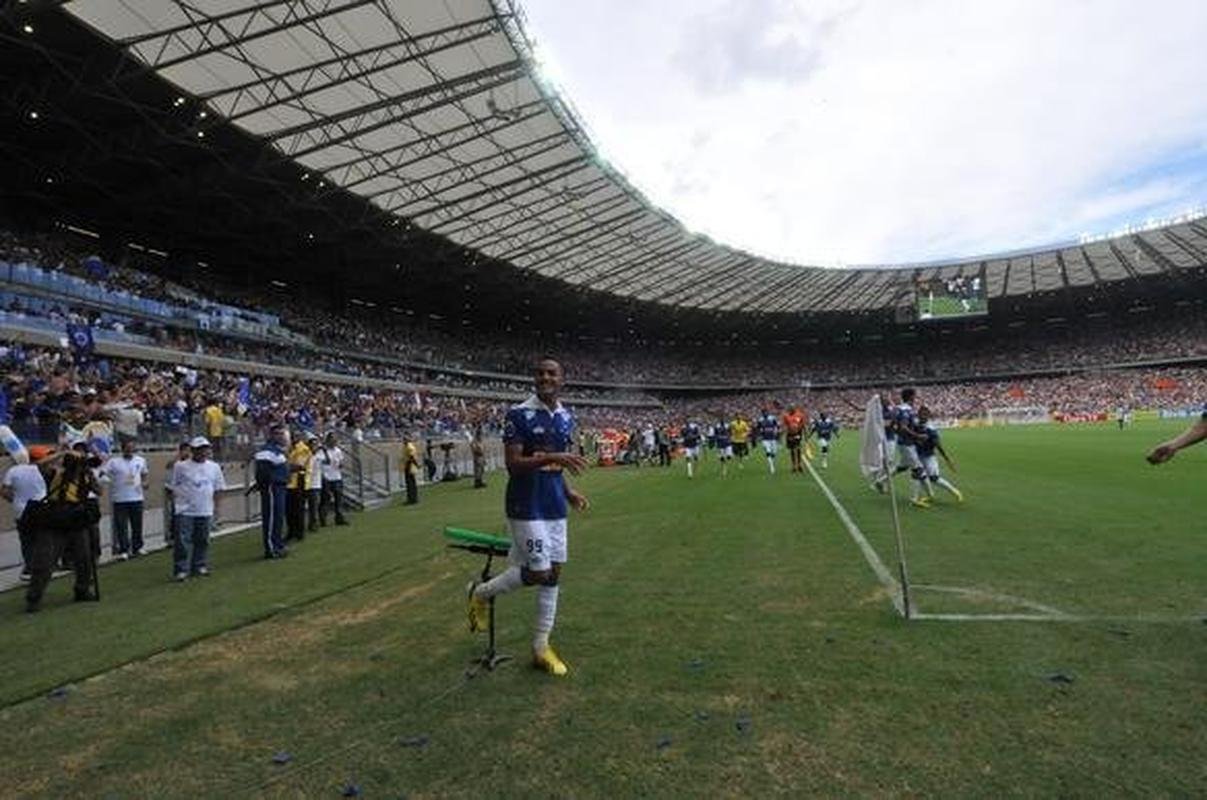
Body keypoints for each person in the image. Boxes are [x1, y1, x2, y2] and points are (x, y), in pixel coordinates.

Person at [468, 357, 589, 677]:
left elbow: (555, 466)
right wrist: (552, 456)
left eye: (552, 373)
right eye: (540, 373)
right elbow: (513, 464)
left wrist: (568, 493)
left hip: (554, 506)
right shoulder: (518, 414)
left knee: (554, 574)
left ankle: (540, 648)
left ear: (562, 379)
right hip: (525, 505)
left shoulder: (565, 416)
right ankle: (479, 594)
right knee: (539, 572)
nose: (545, 377)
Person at [24, 445, 101, 612]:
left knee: (84, 558)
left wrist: (88, 472)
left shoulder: (85, 476)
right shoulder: (54, 473)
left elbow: (98, 491)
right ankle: (34, 597)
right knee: (45, 560)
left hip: (76, 518)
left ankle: (82, 589)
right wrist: (62, 453)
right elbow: (39, 465)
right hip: (55, 518)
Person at [171, 436, 226, 581]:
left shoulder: (214, 467)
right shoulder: (181, 466)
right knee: (183, 541)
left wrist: (217, 509)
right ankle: (182, 569)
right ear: (193, 451)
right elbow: (174, 485)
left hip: (205, 508)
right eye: (199, 449)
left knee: (203, 540)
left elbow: (219, 488)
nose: (202, 452)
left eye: (205, 449)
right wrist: (180, 502)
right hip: (185, 509)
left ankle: (199, 565)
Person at [3, 445, 49, 581]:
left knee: (26, 540)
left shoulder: (12, 471)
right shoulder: (38, 469)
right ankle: (42, 566)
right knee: (42, 538)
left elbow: (4, 490)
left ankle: (29, 568)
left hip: (21, 510)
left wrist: (14, 499)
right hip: (40, 508)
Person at [100, 437, 149, 559]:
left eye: (132, 448)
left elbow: (144, 474)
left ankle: (137, 547)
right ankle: (123, 549)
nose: (129, 450)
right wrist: (108, 481)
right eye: (127, 448)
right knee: (121, 526)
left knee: (137, 524)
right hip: (120, 498)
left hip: (136, 497)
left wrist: (145, 483)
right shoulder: (114, 462)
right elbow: (103, 473)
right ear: (123, 449)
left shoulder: (140, 460)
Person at [253, 425, 290, 559]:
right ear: (272, 435)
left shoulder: (278, 451)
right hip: (272, 488)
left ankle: (278, 544)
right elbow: (262, 471)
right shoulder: (266, 451)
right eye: (278, 434)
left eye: (282, 434)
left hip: (280, 486)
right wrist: (265, 484)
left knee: (278, 517)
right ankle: (271, 548)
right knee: (272, 518)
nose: (281, 436)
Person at [915, 407, 963, 503]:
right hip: (918, 456)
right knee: (920, 477)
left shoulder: (930, 428)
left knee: (934, 478)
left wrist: (946, 458)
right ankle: (927, 496)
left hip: (929, 456)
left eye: (924, 415)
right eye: (920, 414)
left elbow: (938, 445)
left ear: (928, 416)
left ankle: (955, 492)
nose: (922, 416)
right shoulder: (915, 425)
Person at [317, 431, 349, 525]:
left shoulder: (338, 450)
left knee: (338, 499)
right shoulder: (322, 451)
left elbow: (340, 462)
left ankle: (339, 518)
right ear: (328, 440)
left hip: (337, 476)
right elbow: (321, 462)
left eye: (335, 439)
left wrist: (340, 465)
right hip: (326, 477)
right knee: (325, 499)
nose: (334, 441)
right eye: (332, 439)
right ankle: (323, 519)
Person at [163, 441, 190, 547]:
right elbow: (169, 478)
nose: (187, 453)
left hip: (188, 495)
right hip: (177, 495)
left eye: (188, 451)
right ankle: (172, 538)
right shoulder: (174, 464)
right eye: (185, 450)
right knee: (174, 517)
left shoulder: (191, 464)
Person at [285, 432, 311, 540]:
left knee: (298, 509)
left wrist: (283, 466)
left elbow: (299, 466)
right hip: (289, 483)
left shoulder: (303, 449)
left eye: (296, 436)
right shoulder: (291, 448)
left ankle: (299, 533)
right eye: (292, 436)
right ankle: (291, 531)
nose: (293, 438)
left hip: (299, 482)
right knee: (288, 510)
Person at [304, 432, 322, 532]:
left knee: (314, 506)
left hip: (315, 484)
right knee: (304, 506)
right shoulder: (306, 456)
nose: (314, 446)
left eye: (315, 445)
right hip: (305, 484)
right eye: (312, 444)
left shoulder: (319, 456)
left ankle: (313, 524)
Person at [782, 406, 807, 473]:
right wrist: (784, 433)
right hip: (790, 434)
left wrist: (805, 434)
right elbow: (785, 425)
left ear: (794, 409)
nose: (790, 411)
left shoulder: (800, 415)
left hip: (798, 433)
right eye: (789, 410)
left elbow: (803, 424)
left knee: (798, 448)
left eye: (791, 410)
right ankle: (793, 465)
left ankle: (799, 464)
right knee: (792, 450)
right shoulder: (786, 416)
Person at [756, 408, 780, 474]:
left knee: (774, 452)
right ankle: (771, 467)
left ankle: (772, 461)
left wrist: (776, 432)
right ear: (762, 413)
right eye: (764, 412)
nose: (765, 413)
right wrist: (759, 435)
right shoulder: (760, 420)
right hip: (765, 439)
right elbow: (758, 428)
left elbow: (777, 426)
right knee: (768, 452)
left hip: (773, 438)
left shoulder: (772, 418)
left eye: (766, 412)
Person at [402, 435, 420, 505]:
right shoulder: (407, 446)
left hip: (410, 465)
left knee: (410, 482)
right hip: (409, 464)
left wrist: (416, 465)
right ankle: (412, 498)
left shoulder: (409, 447)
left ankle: (412, 498)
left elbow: (412, 457)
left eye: (405, 440)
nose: (403, 441)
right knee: (411, 482)